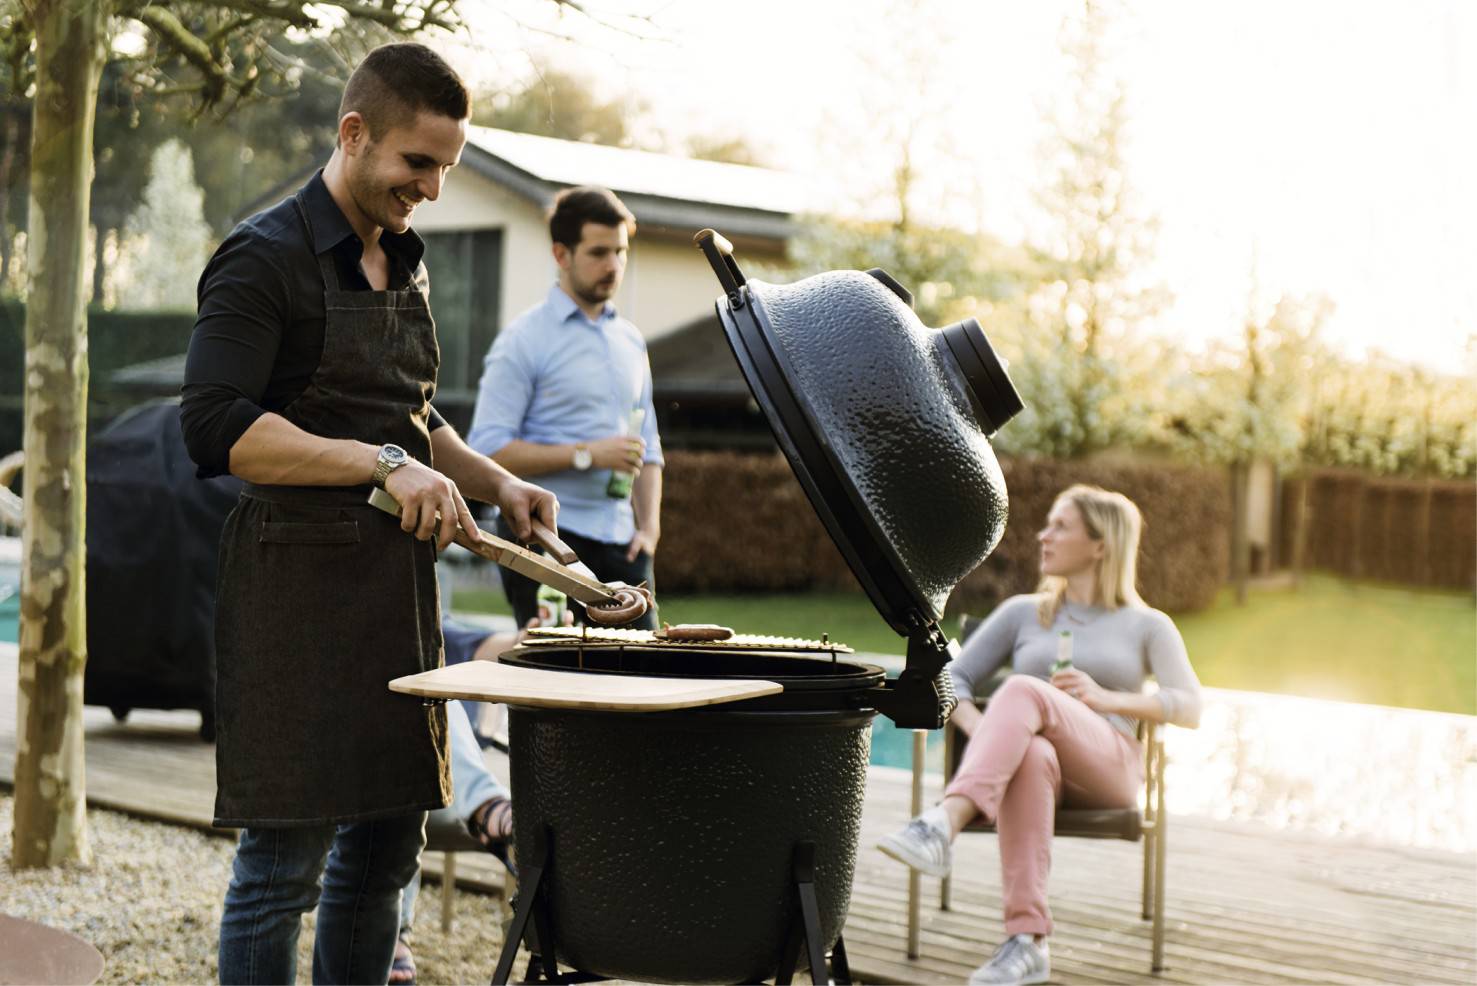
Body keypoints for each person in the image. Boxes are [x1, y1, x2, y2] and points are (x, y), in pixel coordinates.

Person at [180, 43, 559, 986]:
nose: (430, 187)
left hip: (395, 598)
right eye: (416, 164)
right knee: (282, 870)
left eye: (446, 168)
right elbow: (215, 426)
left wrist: (493, 483)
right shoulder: (260, 257)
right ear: (353, 134)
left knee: (386, 852)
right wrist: (383, 464)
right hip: (292, 596)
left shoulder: (405, 259)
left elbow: (410, 416)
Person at [876, 485, 1203, 986]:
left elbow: (1190, 706)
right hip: (1036, 765)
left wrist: (1106, 698)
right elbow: (951, 680)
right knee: (1027, 750)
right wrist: (989, 734)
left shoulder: (1148, 625)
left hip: (1109, 765)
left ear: (1101, 545)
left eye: (1061, 526)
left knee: (1024, 688)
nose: (1043, 536)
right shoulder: (1022, 613)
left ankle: (945, 821)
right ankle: (1027, 943)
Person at [467, 186, 663, 630]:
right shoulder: (522, 340)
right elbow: (487, 449)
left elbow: (648, 447)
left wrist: (648, 530)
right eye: (598, 252)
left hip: (624, 545)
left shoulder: (631, 340)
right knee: (556, 688)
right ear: (561, 254)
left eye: (621, 251)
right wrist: (587, 454)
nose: (613, 266)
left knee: (645, 683)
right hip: (545, 542)